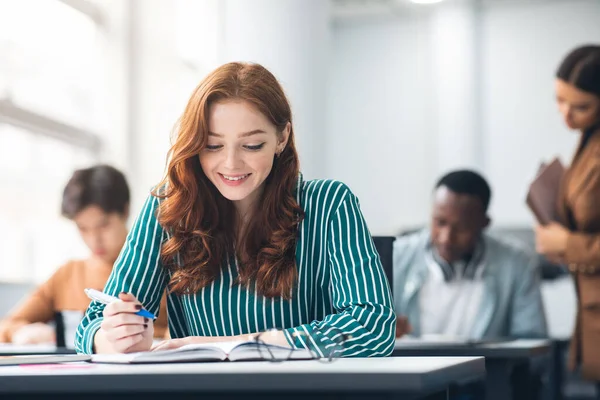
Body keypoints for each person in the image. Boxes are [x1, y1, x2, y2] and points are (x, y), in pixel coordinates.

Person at [75, 62, 395, 357]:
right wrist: (113, 337)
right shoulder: (167, 207)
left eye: (252, 145)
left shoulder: (329, 204)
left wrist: (234, 345)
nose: (231, 164)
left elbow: (373, 328)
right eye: (213, 146)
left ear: (281, 137)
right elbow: (89, 327)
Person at [0, 165, 168, 345]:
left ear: (125, 212)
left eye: (103, 225)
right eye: (83, 228)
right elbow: (7, 325)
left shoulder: (163, 269)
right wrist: (21, 332)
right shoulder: (67, 274)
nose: (94, 239)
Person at [394, 170, 547, 339]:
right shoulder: (395, 257)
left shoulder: (517, 264)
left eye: (461, 228)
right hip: (410, 366)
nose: (446, 239)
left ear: (484, 224)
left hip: (488, 366)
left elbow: (533, 345)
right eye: (439, 222)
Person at [534, 45, 600, 383]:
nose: (566, 115)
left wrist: (568, 243)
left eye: (581, 107)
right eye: (560, 101)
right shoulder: (588, 139)